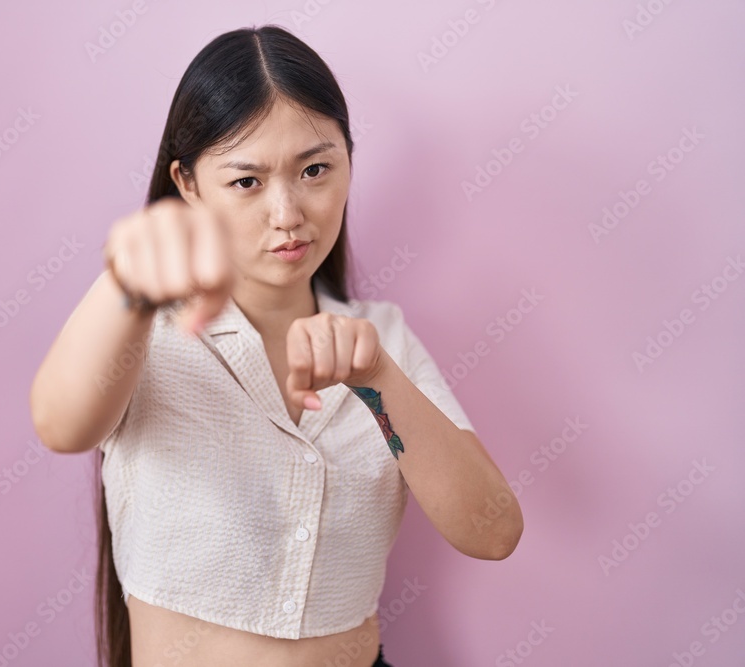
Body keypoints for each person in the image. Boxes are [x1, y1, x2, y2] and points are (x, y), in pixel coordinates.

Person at [29, 25, 523, 667]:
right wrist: (126, 283)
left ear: (349, 160)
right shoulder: (142, 324)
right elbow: (61, 426)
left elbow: (493, 532)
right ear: (187, 183)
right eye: (247, 182)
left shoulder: (382, 338)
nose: (288, 213)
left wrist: (377, 379)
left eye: (315, 169)